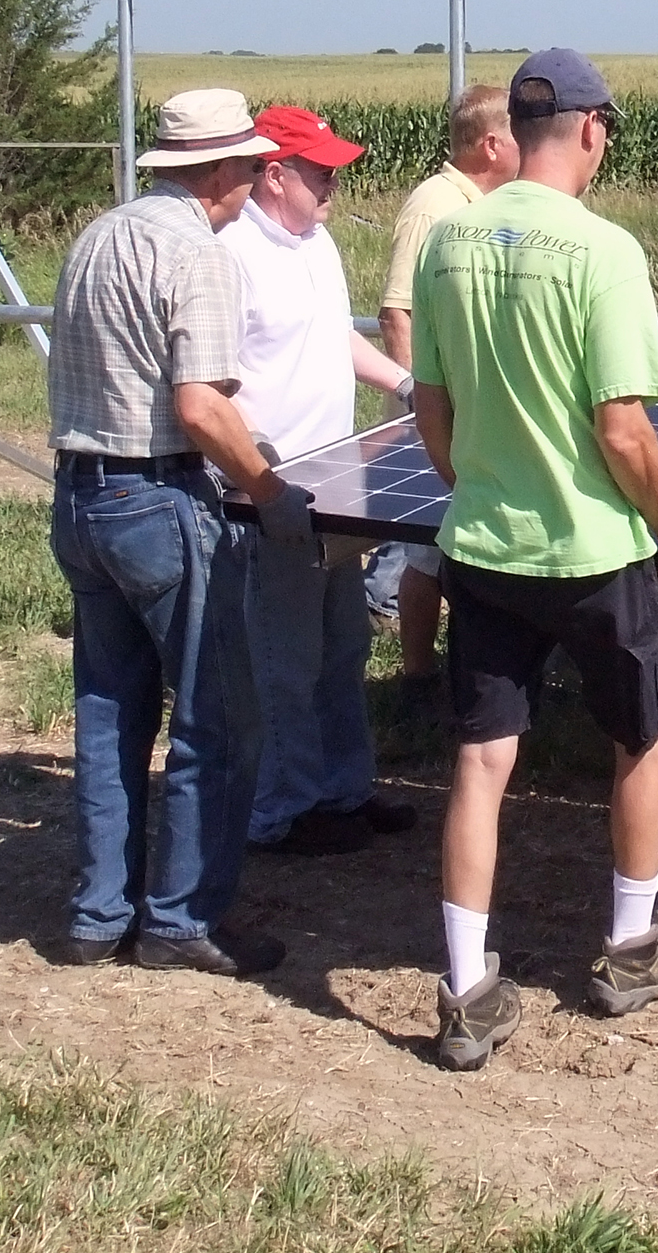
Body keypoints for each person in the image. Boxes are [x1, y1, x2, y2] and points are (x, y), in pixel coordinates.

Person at [409, 48, 658, 1072]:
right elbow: (622, 429)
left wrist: (474, 479)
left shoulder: (444, 241)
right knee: (641, 737)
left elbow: (430, 407)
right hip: (597, 553)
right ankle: (631, 947)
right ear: (594, 129)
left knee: (479, 761)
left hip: (483, 542)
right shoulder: (603, 252)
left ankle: (467, 989)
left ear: (515, 127)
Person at [47, 88, 313, 978]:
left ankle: (95, 914)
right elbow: (199, 406)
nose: (252, 181)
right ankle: (181, 917)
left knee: (109, 710)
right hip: (156, 499)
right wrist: (270, 489)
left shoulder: (98, 235)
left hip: (81, 498)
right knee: (215, 718)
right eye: (247, 165)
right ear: (218, 172)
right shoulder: (197, 254)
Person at [221, 103, 425, 856]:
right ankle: (283, 809)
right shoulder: (233, 253)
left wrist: (406, 387)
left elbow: (335, 338)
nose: (335, 184)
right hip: (271, 488)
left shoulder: (319, 243)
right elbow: (218, 380)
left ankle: (345, 789)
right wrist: (256, 472)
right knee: (284, 656)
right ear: (275, 175)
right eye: (321, 171)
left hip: (337, 479)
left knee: (343, 643)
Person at [374, 83, 521, 710]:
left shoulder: (486, 205)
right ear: (491, 144)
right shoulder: (436, 206)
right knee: (428, 551)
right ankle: (416, 676)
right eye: (517, 133)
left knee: (445, 547)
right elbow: (397, 312)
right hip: (437, 413)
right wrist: (423, 401)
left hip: (471, 410)